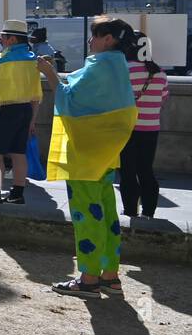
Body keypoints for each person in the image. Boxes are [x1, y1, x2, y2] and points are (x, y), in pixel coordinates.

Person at [38, 17, 137, 298]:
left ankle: (88, 279)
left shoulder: (99, 65)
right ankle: (110, 276)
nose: (90, 41)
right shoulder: (118, 66)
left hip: (86, 154)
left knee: (87, 216)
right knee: (106, 214)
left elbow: (69, 99)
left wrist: (49, 73)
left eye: (95, 36)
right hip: (106, 154)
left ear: (108, 39)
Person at [0, 20, 42, 205]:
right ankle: (17, 193)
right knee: (18, 154)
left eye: (3, 38)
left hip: (2, 111)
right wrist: (33, 120)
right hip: (25, 111)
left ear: (12, 39)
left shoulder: (5, 61)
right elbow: (36, 95)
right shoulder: (33, 60)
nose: (1, 41)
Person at [119, 38, 169, 219]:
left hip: (128, 129)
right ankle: (149, 211)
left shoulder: (125, 70)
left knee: (127, 172)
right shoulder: (160, 73)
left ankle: (131, 210)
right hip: (151, 129)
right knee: (146, 170)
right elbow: (163, 99)